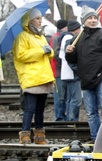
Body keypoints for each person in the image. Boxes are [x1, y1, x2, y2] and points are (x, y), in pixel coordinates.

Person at [65, 6, 102, 143]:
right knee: (91, 113)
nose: (92, 20)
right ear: (83, 21)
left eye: (94, 18)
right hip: (85, 80)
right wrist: (69, 53)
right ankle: (96, 137)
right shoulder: (78, 38)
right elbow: (73, 61)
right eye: (89, 18)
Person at [12, 8, 55, 144]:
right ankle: (25, 135)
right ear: (29, 21)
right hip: (31, 77)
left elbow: (49, 53)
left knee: (40, 109)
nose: (40, 21)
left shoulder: (40, 36)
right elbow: (21, 55)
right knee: (30, 108)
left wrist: (49, 51)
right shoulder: (22, 37)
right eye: (37, 18)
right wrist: (41, 50)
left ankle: (39, 135)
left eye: (40, 18)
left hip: (43, 77)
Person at [58, 20, 82, 121]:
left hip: (67, 73)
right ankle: (72, 120)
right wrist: (77, 69)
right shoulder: (69, 38)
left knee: (70, 99)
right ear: (76, 29)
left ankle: (69, 120)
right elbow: (69, 55)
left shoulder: (64, 37)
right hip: (72, 74)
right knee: (76, 100)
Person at [49, 19, 68, 121]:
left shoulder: (57, 36)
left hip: (60, 71)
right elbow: (55, 54)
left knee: (62, 96)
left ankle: (61, 116)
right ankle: (59, 117)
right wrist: (64, 64)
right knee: (59, 96)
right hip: (58, 71)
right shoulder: (56, 37)